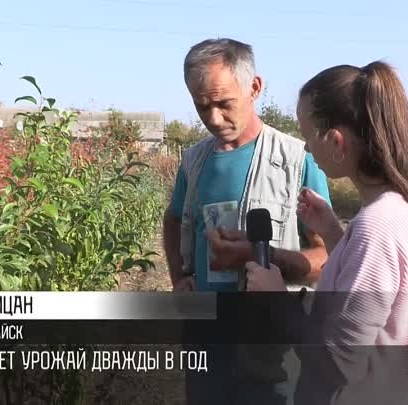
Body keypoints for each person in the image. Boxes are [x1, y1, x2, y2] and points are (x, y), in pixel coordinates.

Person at [245, 61, 408, 404]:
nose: (305, 148)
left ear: (335, 141)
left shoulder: (378, 227)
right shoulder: (406, 209)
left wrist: (277, 302)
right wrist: (333, 235)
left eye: (307, 134)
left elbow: (337, 362)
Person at [162, 38, 331, 404]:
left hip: (270, 344)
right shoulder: (193, 161)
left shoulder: (297, 160)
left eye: (224, 104)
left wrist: (263, 257)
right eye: (201, 106)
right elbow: (174, 219)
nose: (213, 118)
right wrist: (180, 278)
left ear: (254, 88)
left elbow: (328, 258)